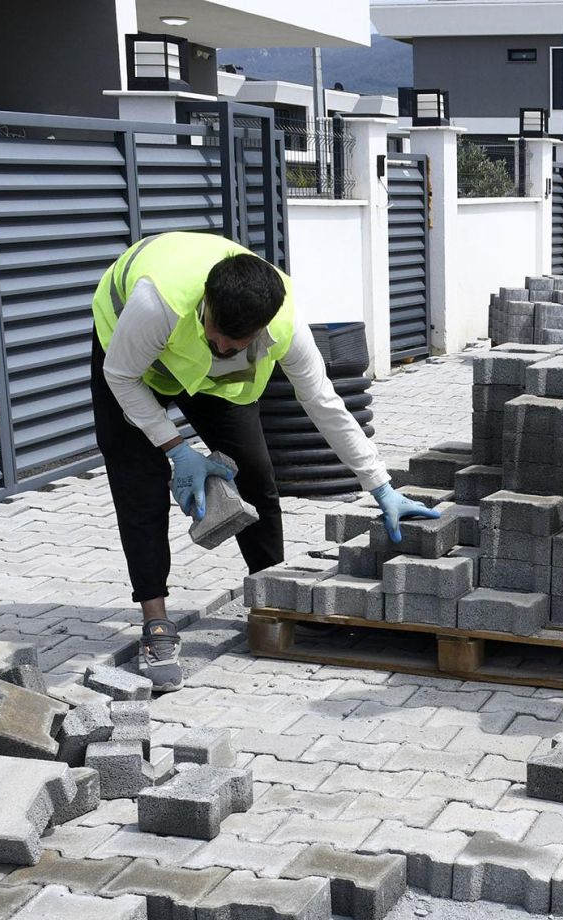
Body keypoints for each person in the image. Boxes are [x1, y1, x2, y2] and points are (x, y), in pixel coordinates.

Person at [90, 231, 436, 691]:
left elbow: (324, 403)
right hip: (132, 363)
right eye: (214, 334)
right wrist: (176, 449)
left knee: (255, 475)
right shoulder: (158, 305)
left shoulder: (286, 326)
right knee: (140, 486)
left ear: (261, 329)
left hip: (211, 382)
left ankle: (271, 595)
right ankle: (156, 622)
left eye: (234, 343)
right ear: (206, 304)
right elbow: (121, 376)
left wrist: (380, 486)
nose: (220, 345)